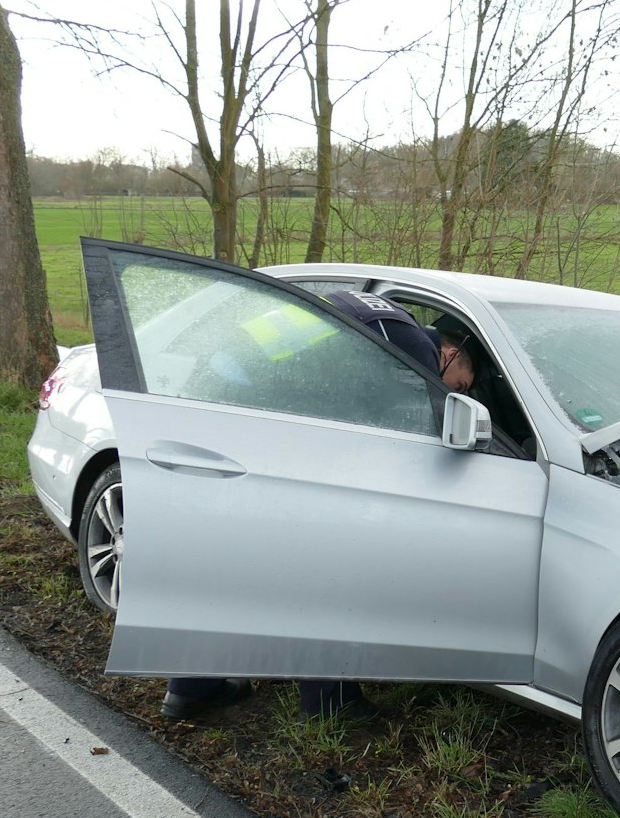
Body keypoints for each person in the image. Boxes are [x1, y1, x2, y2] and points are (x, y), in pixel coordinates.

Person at [159, 289, 477, 722]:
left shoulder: (377, 312)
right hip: (249, 421)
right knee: (330, 561)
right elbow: (388, 421)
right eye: (457, 383)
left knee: (235, 562)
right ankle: (328, 701)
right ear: (451, 352)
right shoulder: (411, 345)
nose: (446, 389)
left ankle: (193, 688)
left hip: (215, 410)